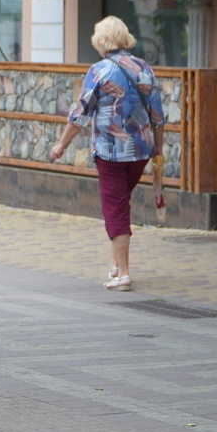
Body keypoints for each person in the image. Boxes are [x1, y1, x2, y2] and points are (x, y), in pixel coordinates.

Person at [49, 16, 165, 291]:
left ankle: (124, 273)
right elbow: (158, 114)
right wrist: (158, 148)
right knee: (120, 204)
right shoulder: (143, 67)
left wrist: (61, 145)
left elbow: (80, 114)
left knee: (114, 209)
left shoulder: (99, 70)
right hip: (140, 151)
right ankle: (115, 265)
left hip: (111, 153)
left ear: (102, 41)